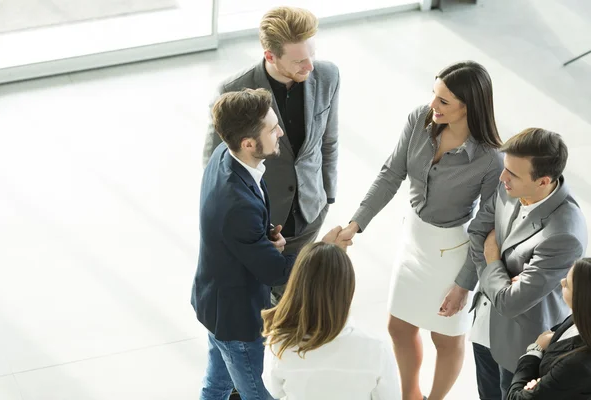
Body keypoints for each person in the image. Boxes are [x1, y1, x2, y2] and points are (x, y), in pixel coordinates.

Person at [339, 61, 503, 400]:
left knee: (446, 338)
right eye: (434, 95)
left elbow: (489, 227)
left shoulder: (489, 159)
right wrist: (356, 223)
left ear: (469, 106)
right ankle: (410, 395)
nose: (433, 106)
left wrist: (463, 284)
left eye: (444, 101)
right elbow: (390, 174)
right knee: (398, 327)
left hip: (453, 252)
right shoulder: (419, 120)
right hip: (413, 241)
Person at [191, 89, 349, 400]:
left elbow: (244, 231)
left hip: (216, 303)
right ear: (248, 143)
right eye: (272, 128)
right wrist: (325, 251)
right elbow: (277, 272)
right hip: (236, 318)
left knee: (217, 385)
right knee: (257, 393)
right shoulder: (236, 205)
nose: (280, 132)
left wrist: (263, 238)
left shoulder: (227, 152)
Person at [202, 6, 340, 303]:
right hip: (262, 222)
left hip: (309, 212)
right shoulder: (233, 90)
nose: (310, 67)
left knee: (299, 295)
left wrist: (328, 195)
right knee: (260, 303)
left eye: (311, 55)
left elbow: (329, 141)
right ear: (270, 56)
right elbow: (214, 159)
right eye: (300, 61)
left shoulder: (328, 75)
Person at [455, 128, 588, 400]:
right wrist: (502, 279)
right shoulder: (508, 187)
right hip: (484, 325)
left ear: (543, 181)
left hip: (519, 344)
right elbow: (478, 232)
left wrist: (493, 258)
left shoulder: (564, 233)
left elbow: (511, 303)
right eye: (506, 169)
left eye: (513, 174)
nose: (502, 177)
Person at [262, 242, 401, 400]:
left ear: (297, 285)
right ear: (348, 288)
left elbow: (275, 391)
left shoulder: (279, 343)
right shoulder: (376, 348)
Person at [506, 258, 591, 399]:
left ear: (582, 299)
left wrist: (535, 350)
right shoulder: (579, 318)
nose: (561, 282)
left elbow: (515, 398)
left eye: (567, 285)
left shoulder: (577, 364)